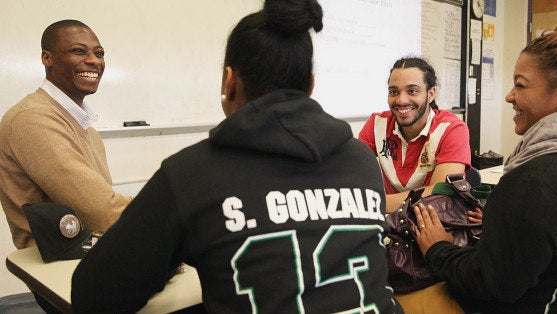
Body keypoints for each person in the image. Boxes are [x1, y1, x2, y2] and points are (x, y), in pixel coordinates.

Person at [71, 0, 401, 313]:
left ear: (230, 82)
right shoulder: (360, 160)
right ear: (310, 86)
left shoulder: (192, 174)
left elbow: (94, 295)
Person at [403, 4, 557, 313]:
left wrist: (438, 247)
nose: (509, 96)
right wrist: (505, 223)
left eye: (520, 85)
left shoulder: (539, 181)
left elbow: (489, 287)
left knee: (394, 296)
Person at [0, 20, 132, 250]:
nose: (93, 60)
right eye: (79, 51)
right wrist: (171, 209)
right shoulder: (32, 118)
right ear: (47, 58)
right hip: (58, 271)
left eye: (99, 53)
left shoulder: (85, 128)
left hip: (93, 256)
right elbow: (101, 213)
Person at [358, 57, 472, 213]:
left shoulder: (452, 129)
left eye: (412, 91)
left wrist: (373, 203)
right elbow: (352, 174)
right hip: (391, 223)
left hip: (435, 223)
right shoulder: (377, 123)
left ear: (430, 94)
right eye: (393, 92)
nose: (401, 100)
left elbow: (442, 194)